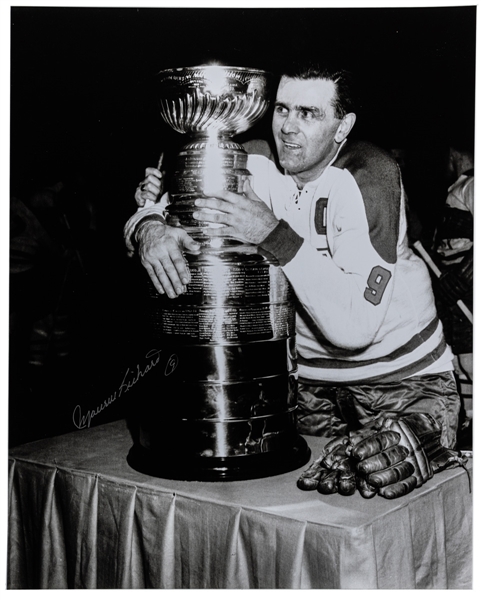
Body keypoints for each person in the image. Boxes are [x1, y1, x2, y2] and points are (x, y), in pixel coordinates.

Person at [124, 61, 461, 449]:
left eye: (308, 113)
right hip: (306, 384)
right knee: (296, 502)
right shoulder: (254, 159)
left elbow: (354, 329)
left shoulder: (369, 172)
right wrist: (148, 225)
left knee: (390, 493)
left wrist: (272, 233)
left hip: (403, 379)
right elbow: (153, 212)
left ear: (343, 127)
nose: (287, 126)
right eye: (282, 108)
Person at [432, 143, 474, 447]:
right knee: (459, 363)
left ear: (453, 154)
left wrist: (462, 279)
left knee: (472, 361)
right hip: (452, 295)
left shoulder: (474, 185)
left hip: (468, 293)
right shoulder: (458, 188)